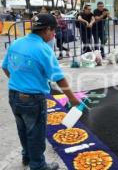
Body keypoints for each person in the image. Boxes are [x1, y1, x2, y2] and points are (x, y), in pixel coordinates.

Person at [2, 13, 81, 170]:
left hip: (13, 95)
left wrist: (19, 82)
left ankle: (27, 157)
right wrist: (72, 99)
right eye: (53, 31)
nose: (53, 35)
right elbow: (58, 78)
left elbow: (5, 67)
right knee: (36, 133)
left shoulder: (17, 43)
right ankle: (38, 165)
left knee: (23, 128)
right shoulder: (43, 49)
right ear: (47, 30)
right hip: (32, 99)